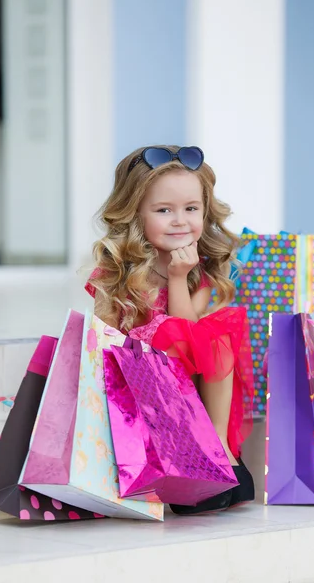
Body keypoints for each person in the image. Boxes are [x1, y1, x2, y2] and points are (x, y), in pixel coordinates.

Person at [85, 145, 254, 514]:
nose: (180, 220)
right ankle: (187, 462)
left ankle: (221, 451)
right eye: (164, 210)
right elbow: (103, 340)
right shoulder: (118, 274)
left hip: (186, 379)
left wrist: (179, 277)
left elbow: (187, 332)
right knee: (166, 337)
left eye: (191, 209)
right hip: (137, 385)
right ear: (135, 213)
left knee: (218, 334)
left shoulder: (202, 273)